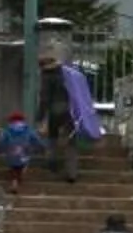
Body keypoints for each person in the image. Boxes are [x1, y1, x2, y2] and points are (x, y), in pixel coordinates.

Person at [37, 52, 102, 184]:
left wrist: (40, 116)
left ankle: (52, 163)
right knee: (71, 142)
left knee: (52, 137)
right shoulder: (67, 73)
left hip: (55, 111)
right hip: (70, 112)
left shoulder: (47, 76)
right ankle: (72, 173)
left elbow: (45, 98)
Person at [0, 111, 44, 193]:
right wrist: (41, 147)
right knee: (22, 166)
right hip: (24, 152)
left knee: (13, 167)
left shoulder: (7, 130)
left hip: (11, 152)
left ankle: (14, 182)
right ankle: (19, 177)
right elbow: (36, 139)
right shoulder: (28, 130)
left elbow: (1, 141)